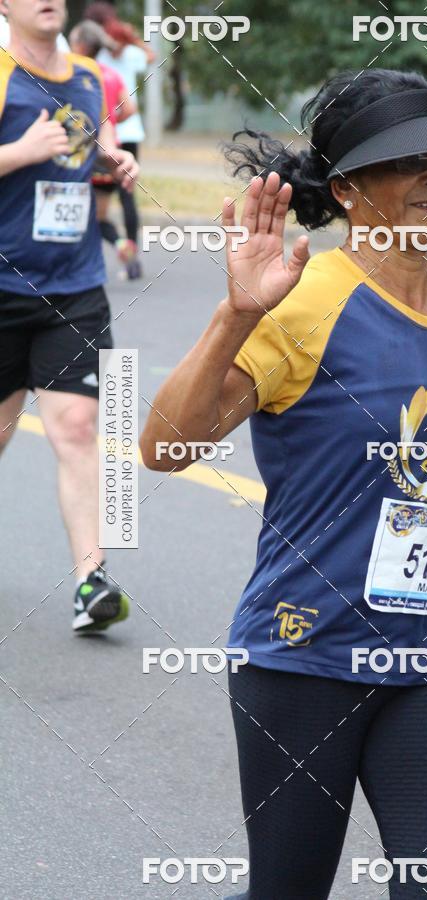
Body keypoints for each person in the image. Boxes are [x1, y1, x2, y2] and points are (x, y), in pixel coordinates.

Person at [141, 69, 427, 899]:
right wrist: (235, 316)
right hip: (303, 657)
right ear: (349, 189)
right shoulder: (302, 303)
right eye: (411, 162)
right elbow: (164, 448)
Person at [0, 0, 139, 633]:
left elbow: (97, 147)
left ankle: (91, 580)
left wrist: (115, 160)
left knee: (80, 427)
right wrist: (21, 151)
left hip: (75, 286)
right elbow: (33, 154)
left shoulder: (87, 74)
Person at [86, 2, 155, 281]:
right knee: (128, 197)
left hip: (107, 135)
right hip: (132, 134)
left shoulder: (96, 54)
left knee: (99, 202)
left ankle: (101, 256)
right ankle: (133, 260)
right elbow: (151, 55)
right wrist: (132, 37)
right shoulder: (131, 55)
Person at [69, 19, 138, 275]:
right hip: (110, 153)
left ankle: (85, 264)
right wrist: (108, 120)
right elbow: (129, 108)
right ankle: (123, 245)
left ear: (79, 44)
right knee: (98, 214)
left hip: (82, 153)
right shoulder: (110, 74)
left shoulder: (73, 72)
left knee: (78, 214)